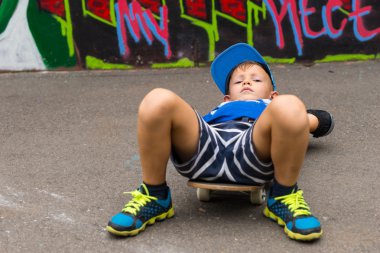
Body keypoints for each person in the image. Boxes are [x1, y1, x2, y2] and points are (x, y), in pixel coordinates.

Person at [106, 43, 334, 241]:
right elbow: (189, 126)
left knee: (291, 103)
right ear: (226, 98)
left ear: (271, 94)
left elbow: (321, 120)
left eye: (256, 79)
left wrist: (306, 119)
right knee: (157, 98)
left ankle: (283, 195)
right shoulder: (220, 109)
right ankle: (155, 195)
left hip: (253, 150)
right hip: (206, 148)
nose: (246, 83)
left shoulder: (273, 106)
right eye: (238, 81)